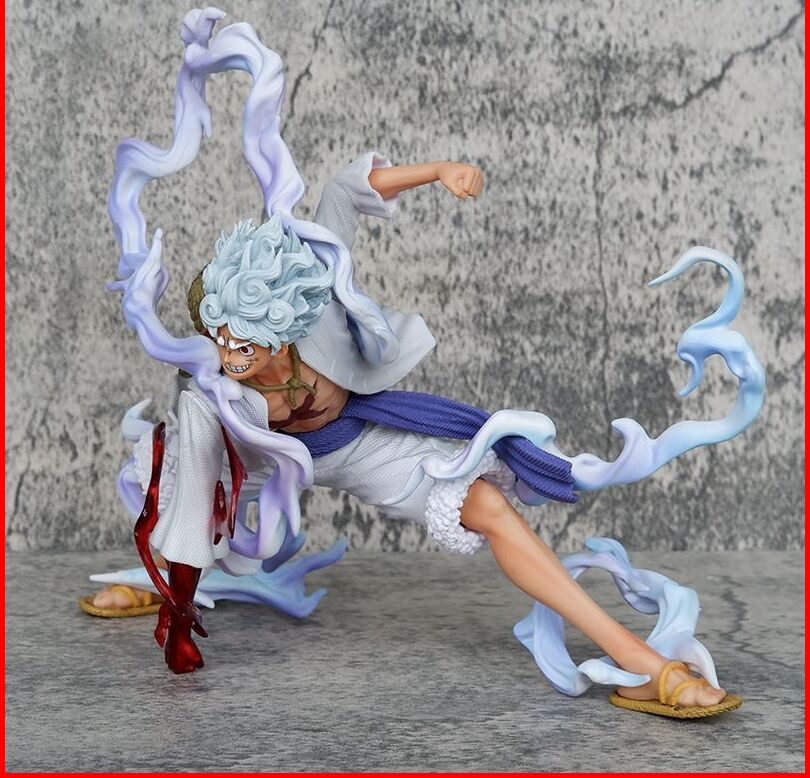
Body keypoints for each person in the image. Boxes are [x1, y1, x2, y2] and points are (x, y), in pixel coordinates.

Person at [96, 152, 736, 717]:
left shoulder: (315, 311)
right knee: (171, 494)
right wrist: (177, 610)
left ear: (281, 321)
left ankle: (642, 666)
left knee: (488, 506)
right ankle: (152, 581)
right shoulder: (214, 396)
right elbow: (192, 502)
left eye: (245, 339)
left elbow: (343, 194)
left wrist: (437, 172)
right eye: (218, 337)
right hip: (254, 460)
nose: (229, 353)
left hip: (356, 442)